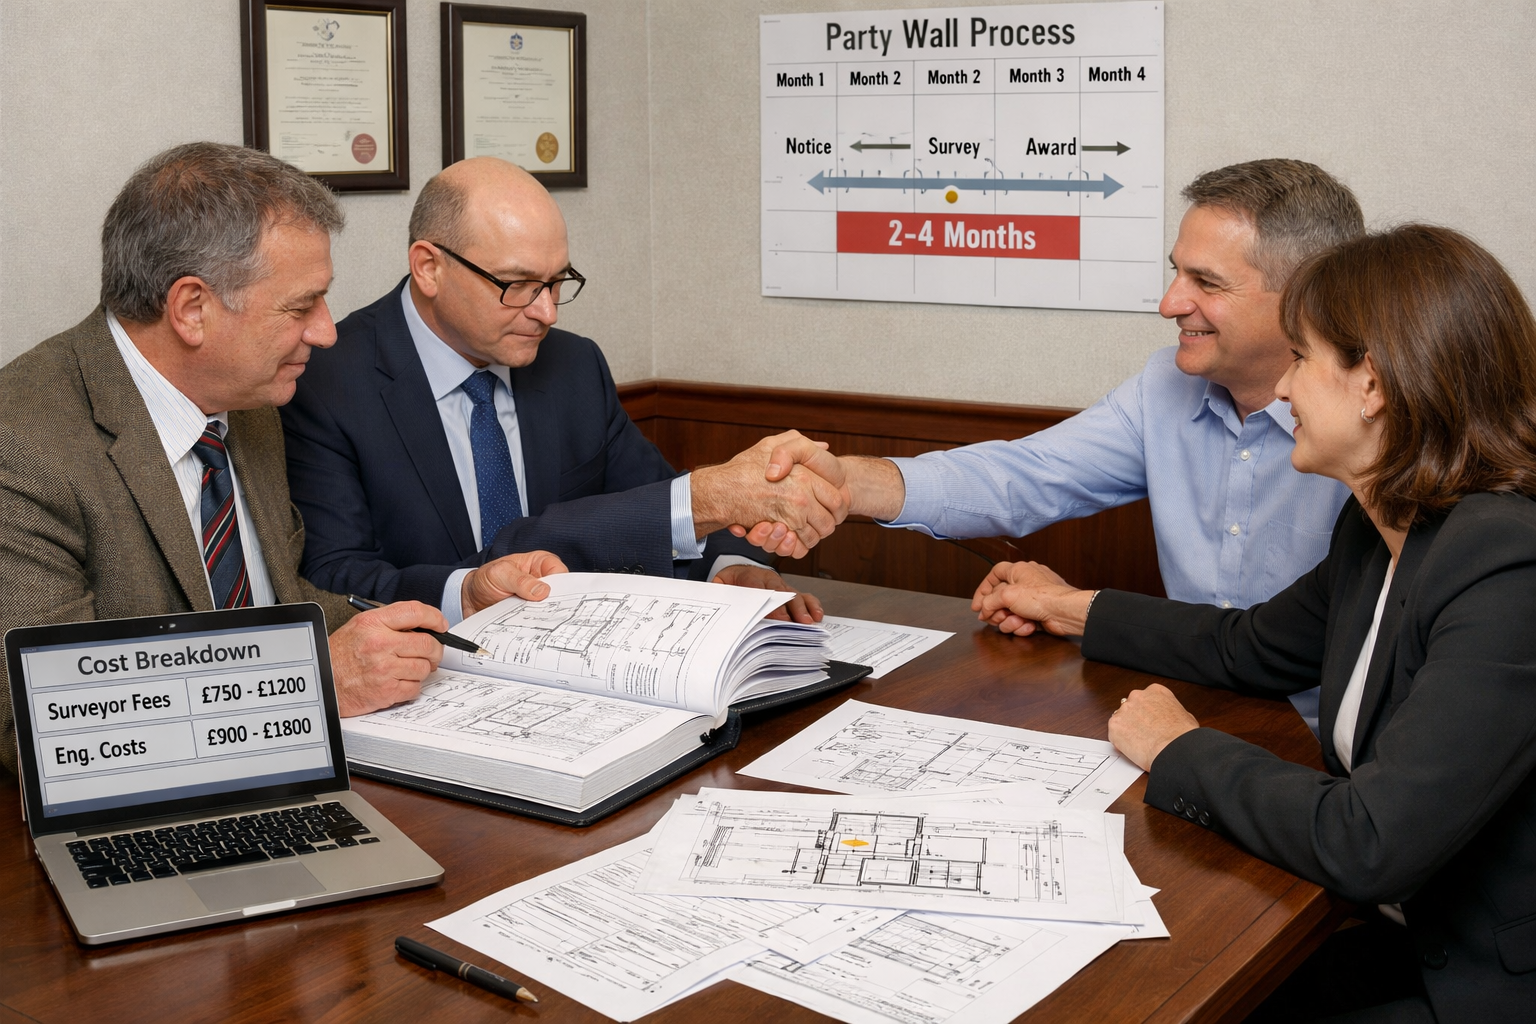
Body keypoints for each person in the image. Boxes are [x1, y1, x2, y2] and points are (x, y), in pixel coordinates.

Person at [975, 225, 1536, 1022]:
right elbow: (1248, 647)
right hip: (1382, 940)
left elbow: (1366, 840)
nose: (1281, 390)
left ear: (1371, 383)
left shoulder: (1506, 566)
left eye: (1301, 359)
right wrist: (1068, 608)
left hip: (1477, 988)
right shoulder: (1382, 530)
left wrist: (1180, 750)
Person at [0, 142, 564, 776]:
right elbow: (42, 727)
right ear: (192, 308)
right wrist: (314, 683)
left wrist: (436, 613)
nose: (326, 332)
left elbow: (281, 600)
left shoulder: (250, 403)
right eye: (301, 307)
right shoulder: (22, 445)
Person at [745, 159, 1364, 730]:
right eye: (1175, 271)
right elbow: (1025, 474)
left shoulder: (1377, 431)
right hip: (1185, 715)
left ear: (1307, 294)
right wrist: (848, 482)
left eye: (1206, 281)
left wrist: (1071, 606)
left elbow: (1302, 649)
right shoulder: (1165, 385)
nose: (1170, 302)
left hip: (1328, 747)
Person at [280, 157, 844, 626]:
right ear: (429, 267)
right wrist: (466, 591)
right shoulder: (328, 378)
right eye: (518, 286)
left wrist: (730, 568)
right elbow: (334, 575)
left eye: (556, 283)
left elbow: (655, 495)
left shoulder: (574, 365)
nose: (545, 312)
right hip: (425, 672)